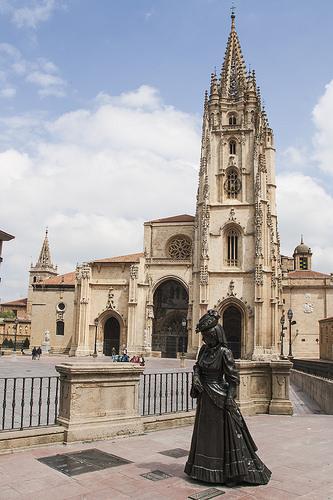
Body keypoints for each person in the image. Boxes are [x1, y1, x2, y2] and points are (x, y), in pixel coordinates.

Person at [184, 309, 271, 486]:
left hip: (219, 398)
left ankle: (227, 472)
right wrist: (196, 377)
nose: (203, 339)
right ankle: (202, 470)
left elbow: (233, 379)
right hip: (205, 398)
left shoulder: (225, 353)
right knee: (205, 434)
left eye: (206, 335)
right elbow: (197, 368)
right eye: (203, 335)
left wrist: (230, 399)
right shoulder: (203, 351)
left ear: (215, 335)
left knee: (222, 436)